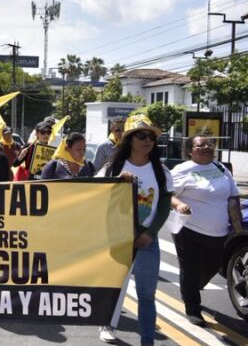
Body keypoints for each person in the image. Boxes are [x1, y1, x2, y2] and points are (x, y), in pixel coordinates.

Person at [97, 114, 172, 346]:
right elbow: (97, 196)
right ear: (129, 139)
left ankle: (147, 341)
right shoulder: (113, 167)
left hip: (148, 241)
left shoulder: (161, 170)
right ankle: (107, 324)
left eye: (151, 136)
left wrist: (150, 233)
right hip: (118, 239)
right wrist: (117, 182)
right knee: (114, 289)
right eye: (142, 135)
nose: (148, 140)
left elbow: (164, 206)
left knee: (147, 296)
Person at [170, 135, 243, 327]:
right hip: (189, 229)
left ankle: (193, 287)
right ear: (189, 151)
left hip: (219, 231)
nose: (206, 147)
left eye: (209, 144)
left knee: (214, 265)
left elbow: (233, 197)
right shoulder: (182, 170)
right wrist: (179, 204)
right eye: (200, 145)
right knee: (191, 269)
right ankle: (193, 308)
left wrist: (236, 228)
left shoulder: (221, 169)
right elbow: (167, 194)